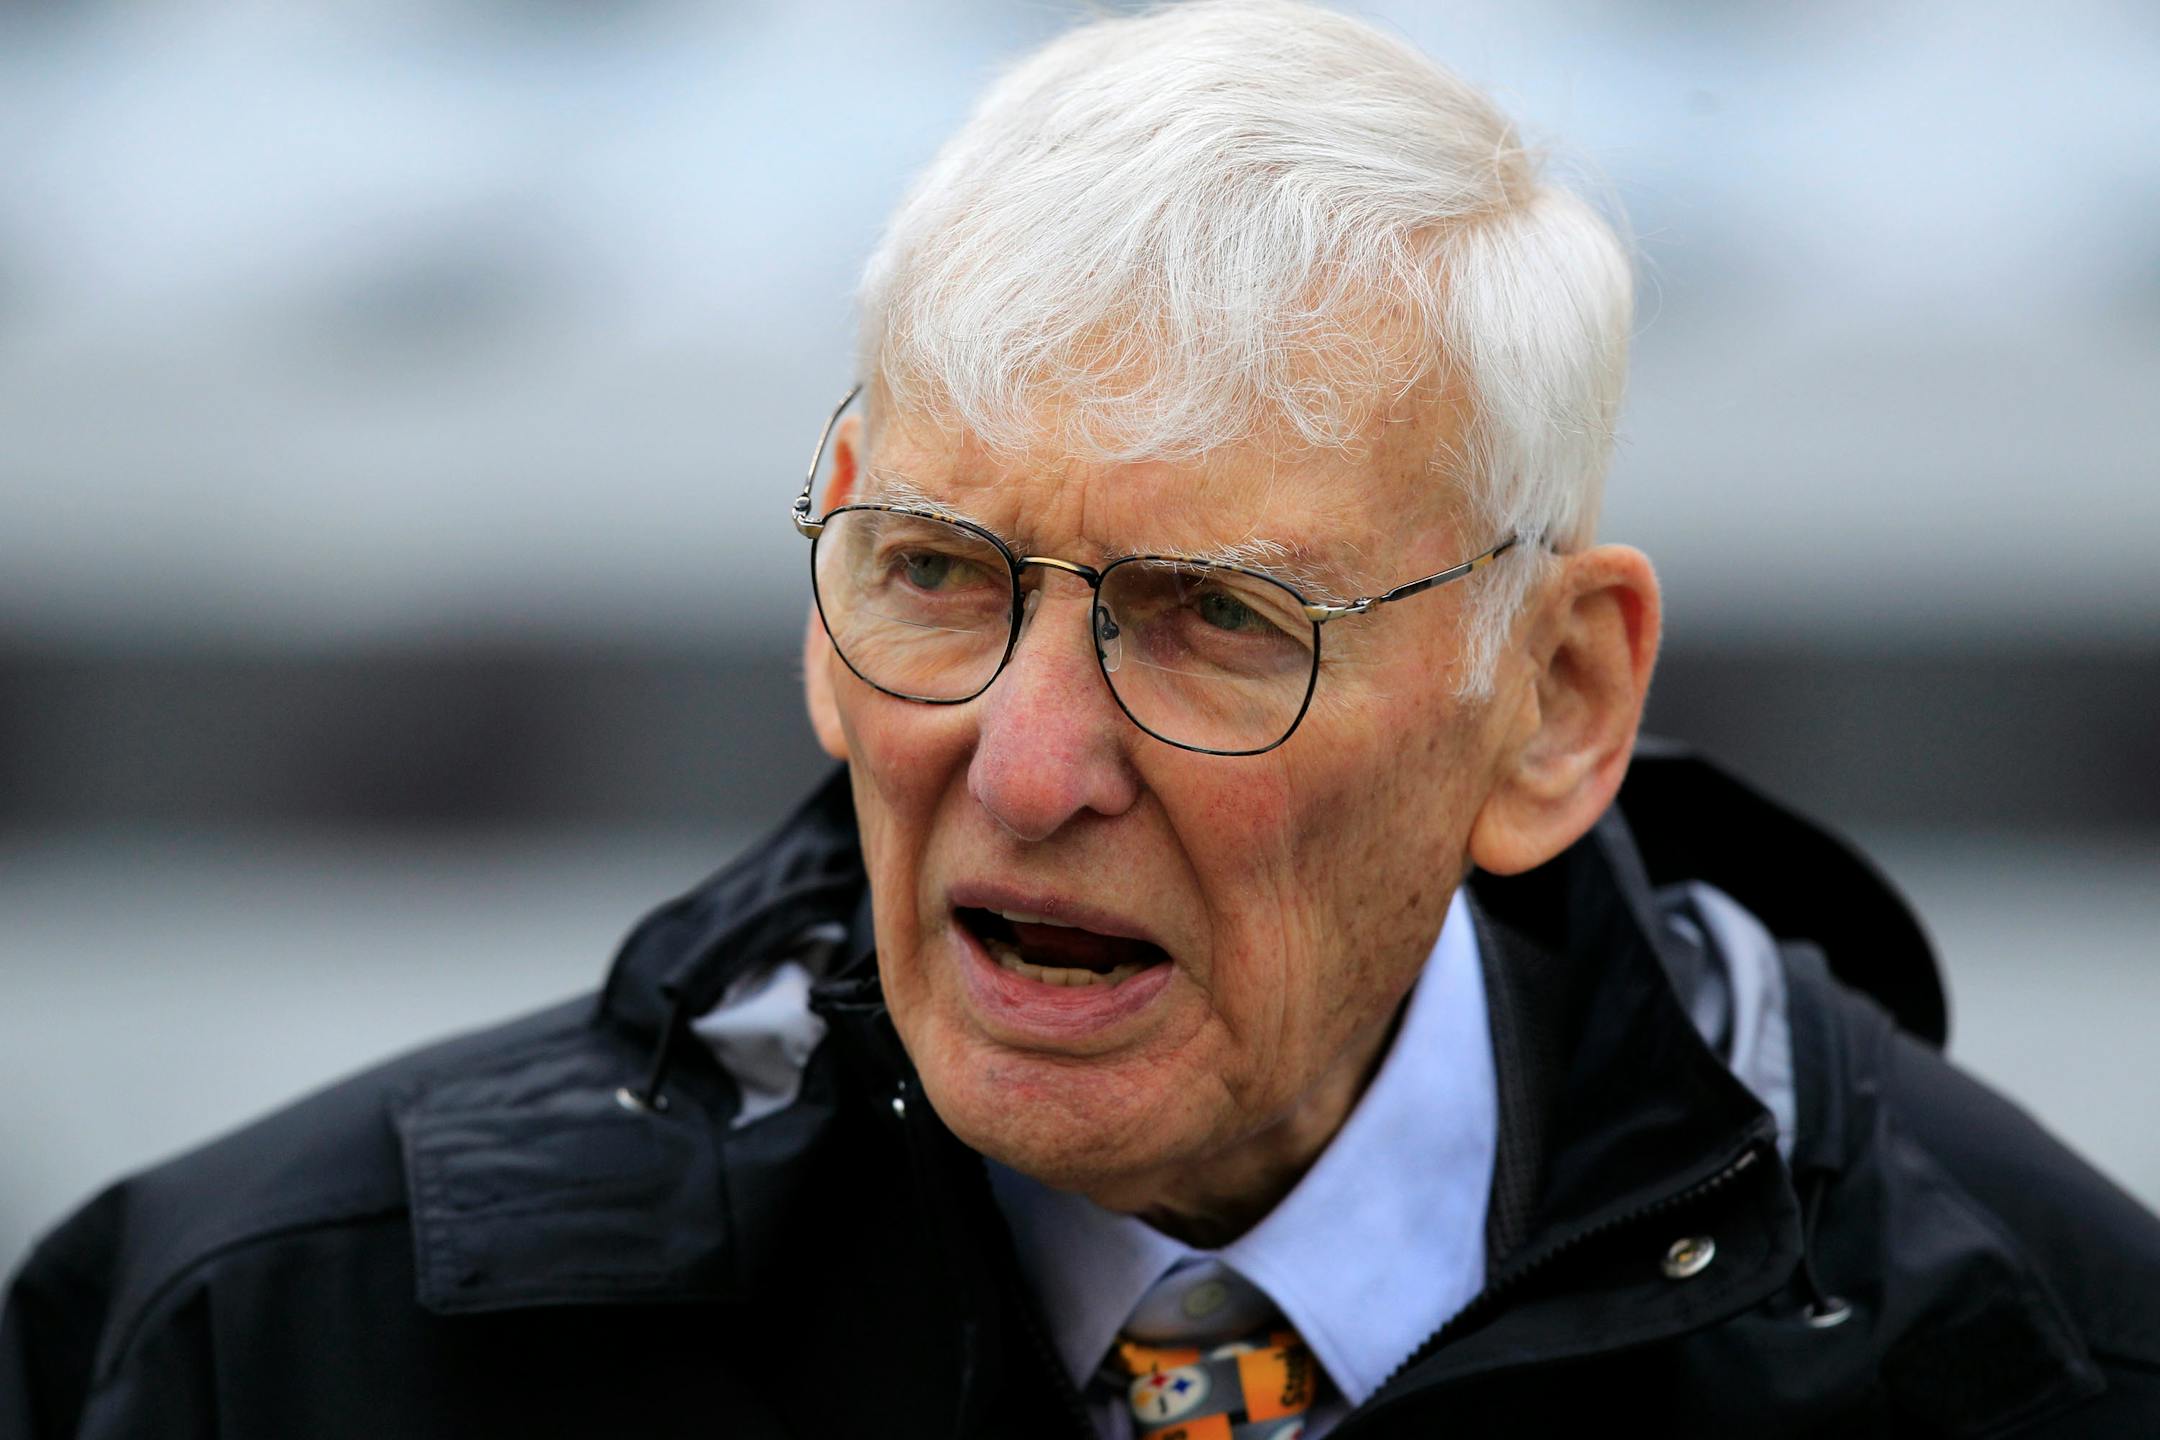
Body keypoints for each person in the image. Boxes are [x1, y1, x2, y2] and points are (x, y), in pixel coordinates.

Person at [6, 2, 2158, 1435]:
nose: (1027, 771)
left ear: (1552, 703)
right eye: (938, 575)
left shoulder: (2041, 1363)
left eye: (1217, 620)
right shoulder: (266, 1346)